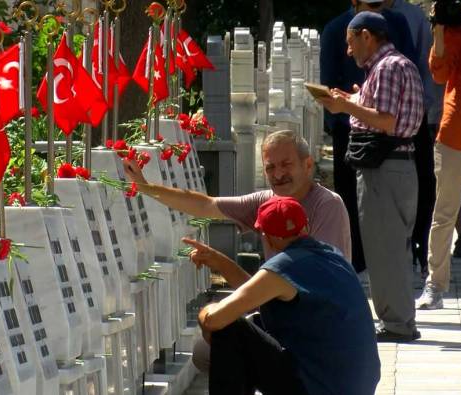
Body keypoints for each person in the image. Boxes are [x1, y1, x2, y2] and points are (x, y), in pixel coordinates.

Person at [188, 196, 380, 395]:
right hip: (355, 385)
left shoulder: (284, 266)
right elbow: (257, 292)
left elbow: (214, 320)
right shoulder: (333, 256)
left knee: (227, 331)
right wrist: (219, 262)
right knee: (248, 328)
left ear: (267, 236)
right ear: (305, 225)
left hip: (319, 387)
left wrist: (209, 310)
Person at [318, 11, 424, 342]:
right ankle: (399, 320)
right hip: (395, 166)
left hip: (386, 167)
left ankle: (397, 324)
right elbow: (381, 113)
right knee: (391, 246)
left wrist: (345, 108)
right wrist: (352, 100)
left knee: (385, 247)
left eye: (351, 42)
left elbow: (386, 122)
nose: (348, 51)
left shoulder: (389, 67)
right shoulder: (390, 66)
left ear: (367, 36)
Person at [123, 130, 351, 262]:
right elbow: (206, 206)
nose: (279, 174)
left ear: (308, 165)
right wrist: (145, 187)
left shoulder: (328, 205)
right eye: (271, 167)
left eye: (286, 165)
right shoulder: (265, 201)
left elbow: (324, 272)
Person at [416, 2, 461, 310]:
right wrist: (439, 32)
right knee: (443, 214)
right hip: (456, 127)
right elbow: (439, 75)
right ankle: (435, 286)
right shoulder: (453, 31)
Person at [385, 0, 444, 275]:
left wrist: (430, 111)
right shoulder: (357, 17)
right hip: (377, 118)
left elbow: (425, 63)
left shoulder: (412, 17)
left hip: (415, 113)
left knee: (423, 181)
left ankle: (420, 245)